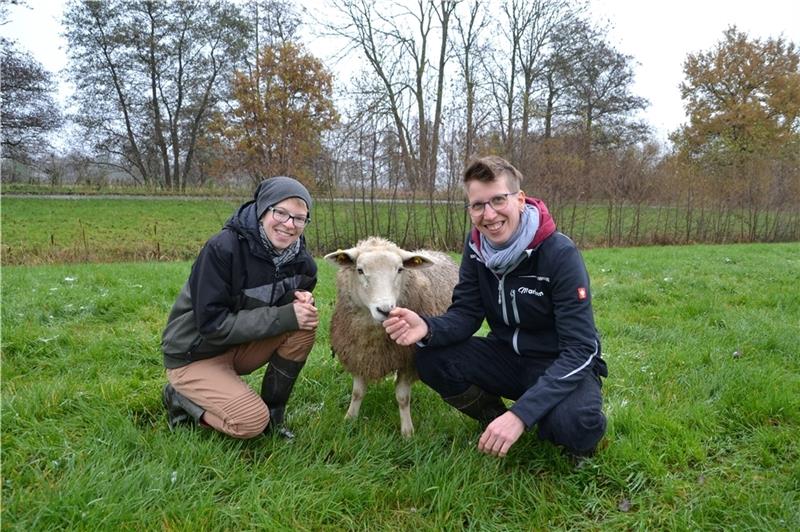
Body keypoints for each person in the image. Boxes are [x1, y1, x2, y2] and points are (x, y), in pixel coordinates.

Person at [383, 156, 607, 458]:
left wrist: (521, 415)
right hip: (507, 357)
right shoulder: (477, 248)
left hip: (557, 363)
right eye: (477, 205)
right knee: (431, 357)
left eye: (498, 200)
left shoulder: (559, 254)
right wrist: (428, 327)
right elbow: (466, 313)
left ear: (520, 199)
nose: (489, 215)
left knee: (576, 424)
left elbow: (581, 349)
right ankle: (493, 422)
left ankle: (542, 427)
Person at [160, 176, 319, 439]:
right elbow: (212, 324)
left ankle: (274, 416)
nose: (289, 225)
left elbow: (275, 308)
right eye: (280, 213)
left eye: (299, 218)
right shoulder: (223, 249)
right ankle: (179, 398)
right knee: (249, 424)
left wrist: (296, 300)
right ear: (263, 209)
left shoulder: (302, 263)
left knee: (304, 325)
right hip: (195, 353)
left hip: (238, 347)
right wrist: (285, 314)